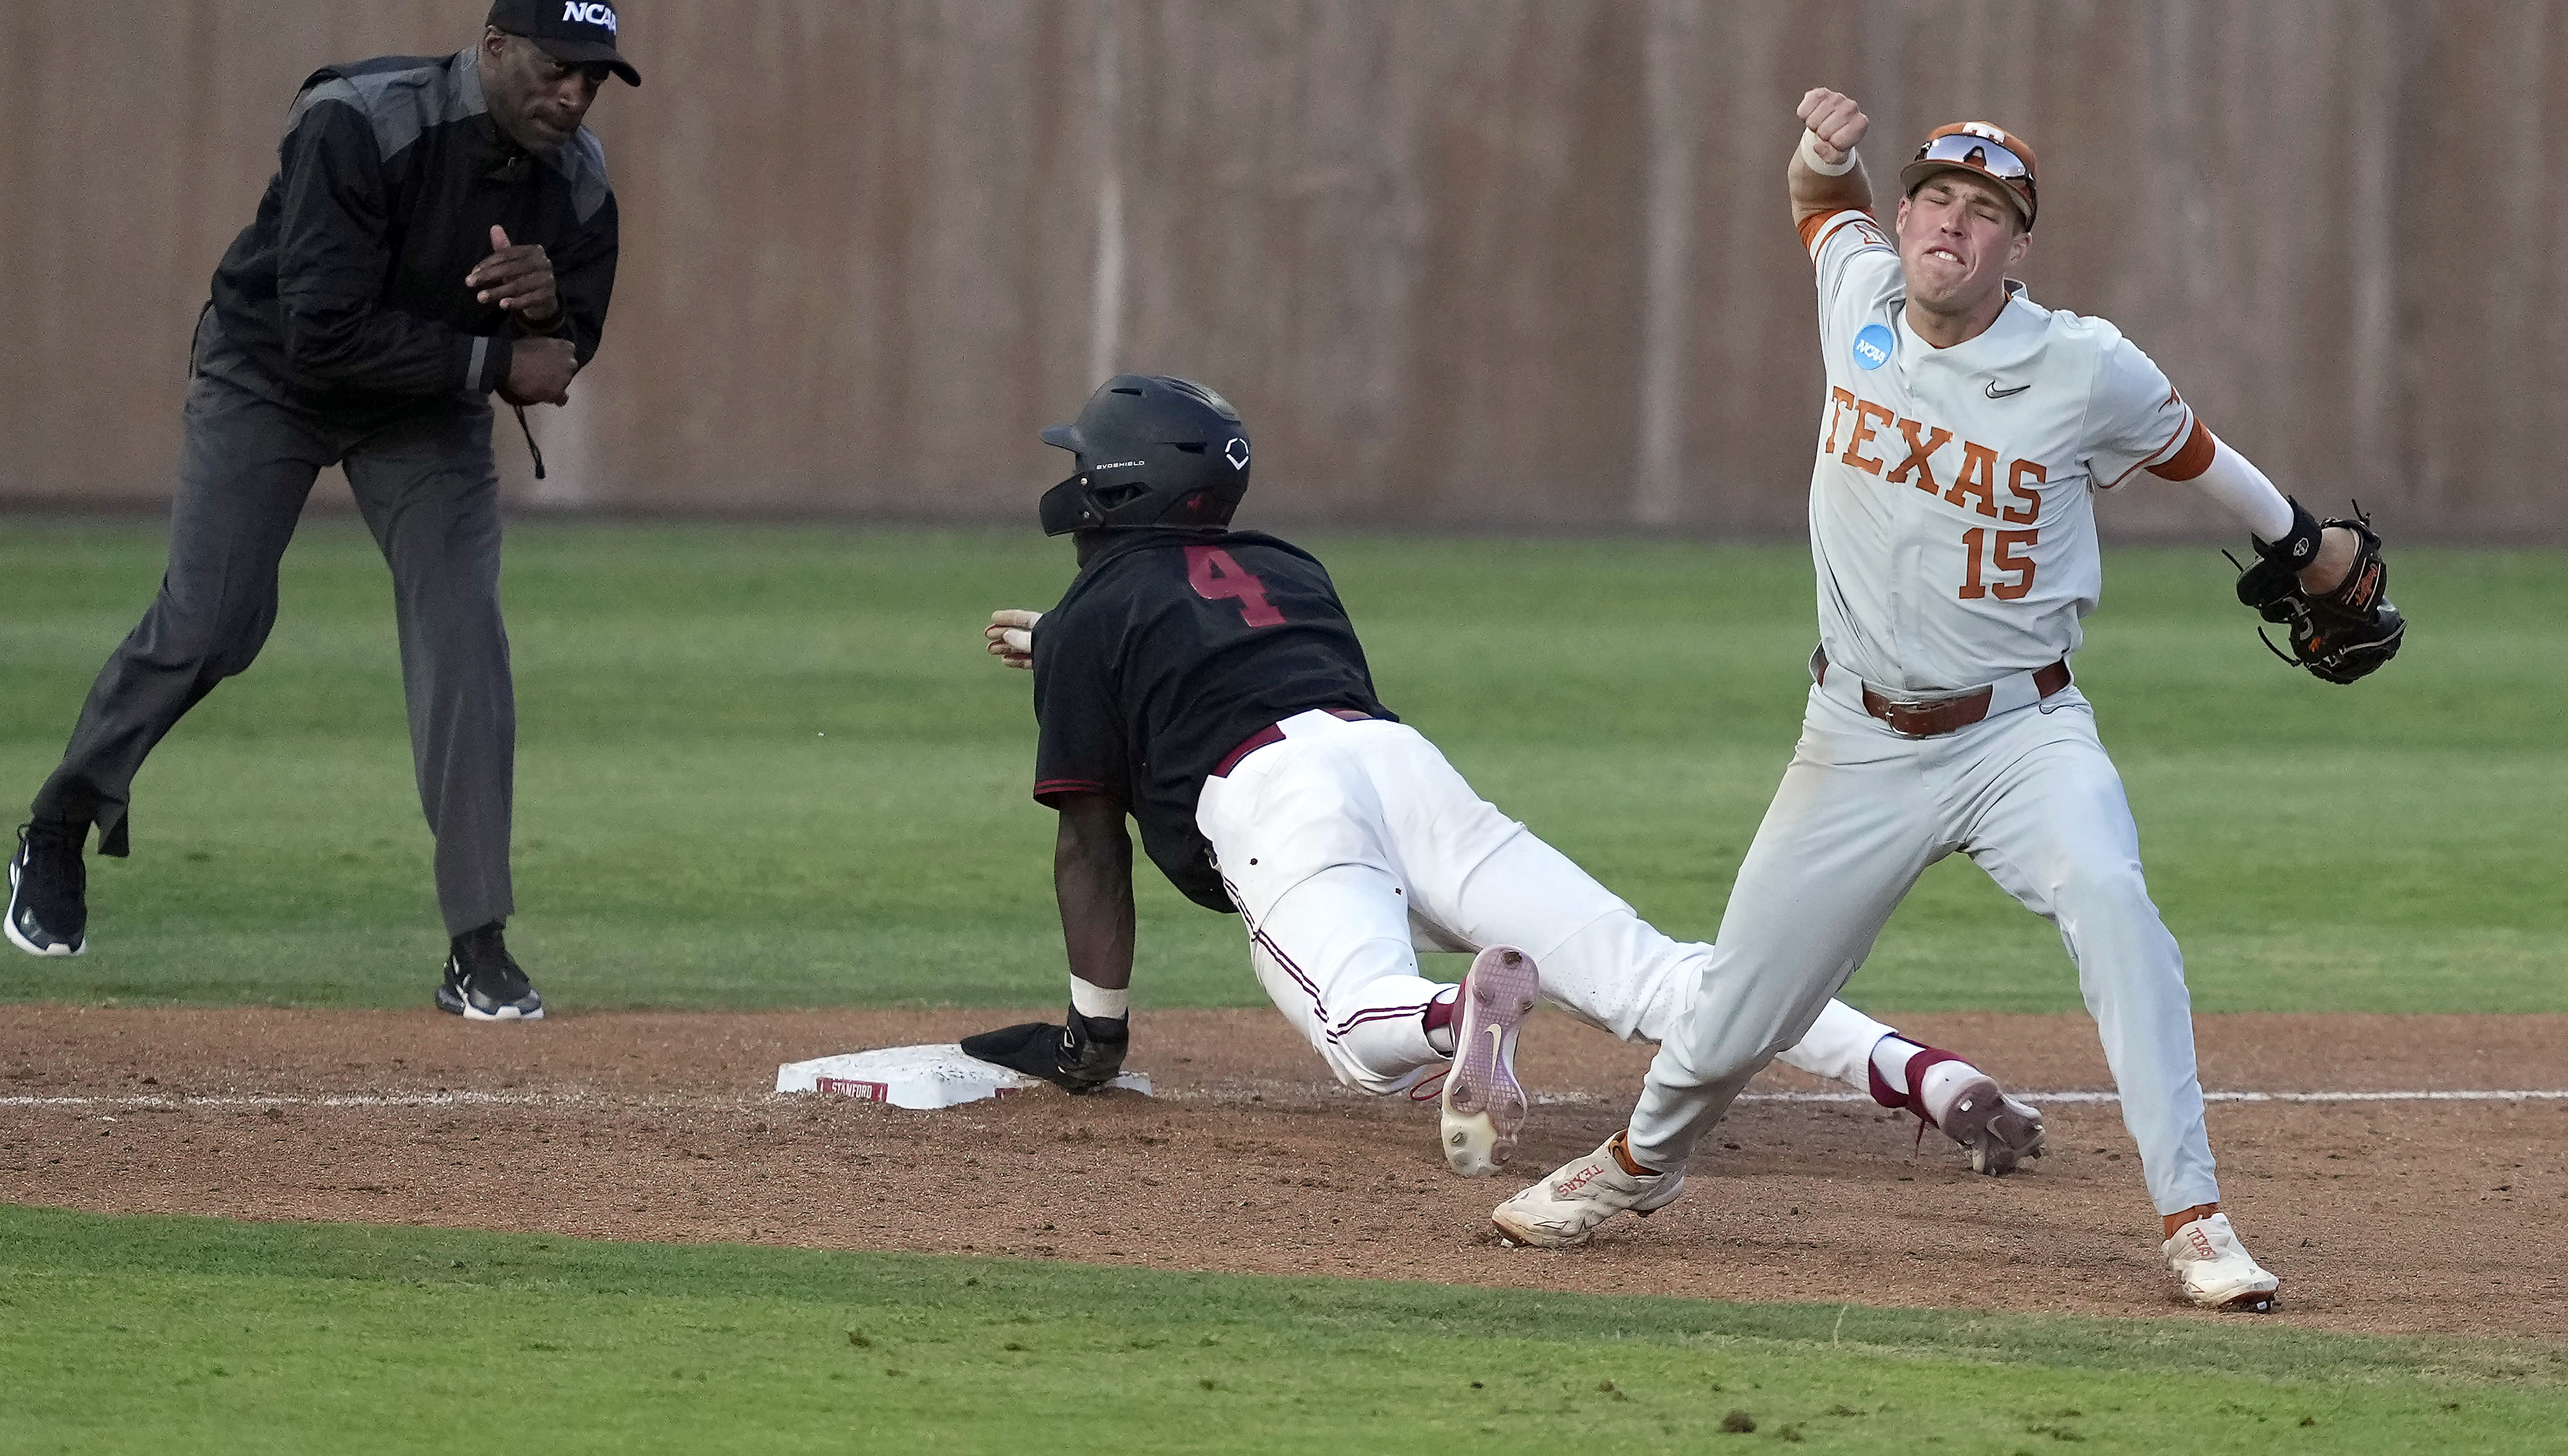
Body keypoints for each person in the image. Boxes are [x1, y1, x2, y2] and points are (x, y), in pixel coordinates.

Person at [1494, 93, 2402, 1311]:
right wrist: (1827, 154)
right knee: (1741, 1005)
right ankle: (1641, 1163)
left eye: (1987, 213)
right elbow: (1822, 203)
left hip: (2022, 733)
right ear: (1907, 213)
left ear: (2016, 246)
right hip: (1855, 739)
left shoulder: (2083, 366)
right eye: (1935, 200)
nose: (1953, 228)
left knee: (2115, 904)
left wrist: (2294, 534)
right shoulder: (1858, 298)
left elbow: (2196, 450)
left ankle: (2196, 1220)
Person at [962, 373, 2046, 1180]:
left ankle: (1453, 1015)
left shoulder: (1097, 618)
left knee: (1359, 1033)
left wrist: (1094, 1036)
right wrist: (1070, 639)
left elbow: (1091, 845)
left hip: (1278, 799)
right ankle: (1932, 1077)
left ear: (1117, 485)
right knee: (1660, 979)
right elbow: (1211, 649)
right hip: (1403, 768)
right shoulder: (1289, 566)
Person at [5, 0, 639, 1022]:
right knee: (215, 622)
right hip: (273, 377)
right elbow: (321, 330)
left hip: (421, 414)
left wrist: (546, 317)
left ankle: (476, 946)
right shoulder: (355, 121)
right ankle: (60, 823)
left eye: (594, 81)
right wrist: (496, 363)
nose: (574, 96)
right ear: (491, 49)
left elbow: (565, 348)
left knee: (464, 634)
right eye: (556, 69)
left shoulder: (576, 182)